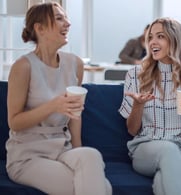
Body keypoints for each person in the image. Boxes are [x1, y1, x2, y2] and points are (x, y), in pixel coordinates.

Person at [5, 2, 112, 195]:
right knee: (102, 188)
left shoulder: (75, 64)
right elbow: (14, 122)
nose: (68, 23)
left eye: (66, 18)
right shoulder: (23, 67)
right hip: (28, 156)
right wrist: (54, 105)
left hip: (63, 150)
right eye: (59, 18)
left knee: (90, 156)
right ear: (40, 28)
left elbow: (74, 115)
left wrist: (76, 151)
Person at [118, 17, 181, 195]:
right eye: (150, 37)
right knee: (168, 149)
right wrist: (138, 106)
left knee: (163, 179)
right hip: (148, 147)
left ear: (175, 40)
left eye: (160, 36)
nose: (152, 42)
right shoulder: (135, 76)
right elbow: (133, 131)